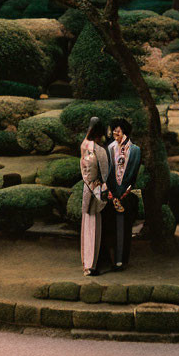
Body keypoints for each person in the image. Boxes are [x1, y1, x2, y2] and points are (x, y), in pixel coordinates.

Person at [105, 117, 141, 270]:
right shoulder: (110, 148)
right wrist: (112, 192)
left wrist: (122, 192)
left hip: (125, 194)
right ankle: (111, 259)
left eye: (117, 130)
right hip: (111, 194)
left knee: (124, 227)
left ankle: (121, 260)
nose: (115, 133)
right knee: (111, 227)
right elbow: (107, 171)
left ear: (124, 131)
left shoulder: (135, 150)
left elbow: (132, 173)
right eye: (113, 130)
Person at [79, 117, 109, 276]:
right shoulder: (100, 150)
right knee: (94, 229)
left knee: (87, 227)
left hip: (87, 188)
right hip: (97, 190)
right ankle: (91, 266)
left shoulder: (84, 145)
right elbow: (105, 174)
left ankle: (86, 262)